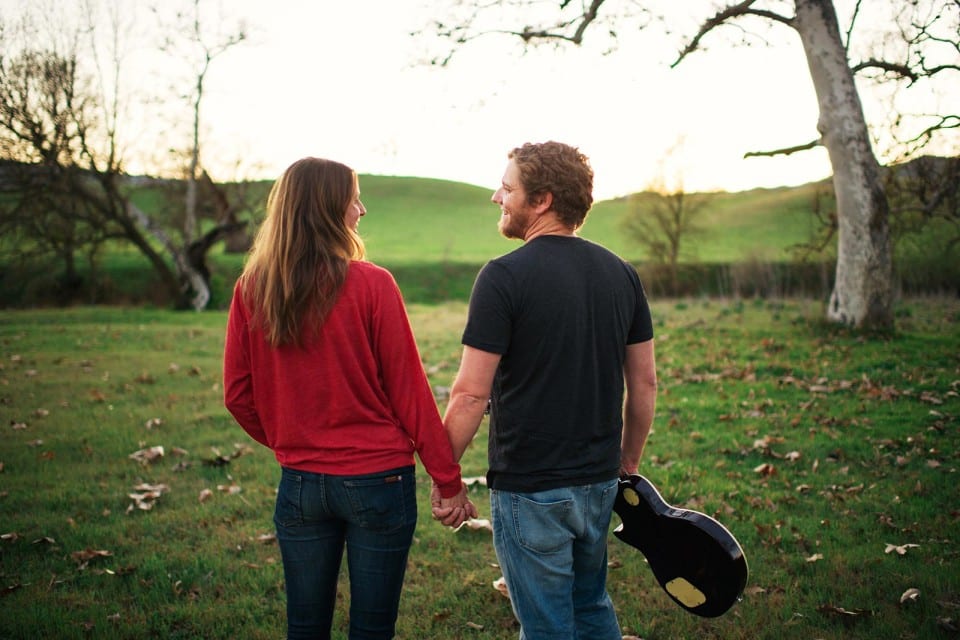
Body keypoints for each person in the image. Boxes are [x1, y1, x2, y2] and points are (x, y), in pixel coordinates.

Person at [223, 156, 476, 640]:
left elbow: (238, 395)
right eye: (353, 198)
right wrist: (447, 478)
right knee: (373, 629)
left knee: (305, 626)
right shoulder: (372, 284)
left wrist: (290, 439)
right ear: (328, 208)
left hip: (300, 483)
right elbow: (410, 394)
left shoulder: (253, 287)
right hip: (378, 481)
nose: (362, 209)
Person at [435, 141, 658, 639]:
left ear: (542, 201)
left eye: (508, 187)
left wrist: (445, 476)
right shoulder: (622, 274)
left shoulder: (503, 277)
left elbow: (470, 394)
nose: (497, 196)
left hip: (530, 487)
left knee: (546, 626)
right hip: (599, 481)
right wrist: (628, 463)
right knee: (591, 605)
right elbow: (644, 382)